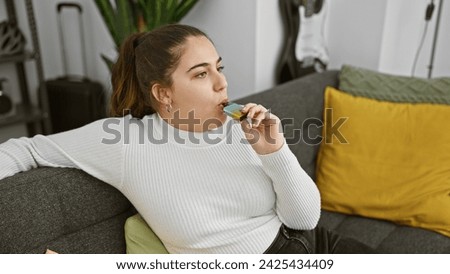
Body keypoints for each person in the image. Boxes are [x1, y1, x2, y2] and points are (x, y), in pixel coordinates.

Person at [0, 24, 374, 254]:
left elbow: (304, 220)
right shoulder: (125, 141)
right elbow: (26, 149)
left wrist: (274, 152)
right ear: (164, 94)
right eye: (200, 74)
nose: (222, 82)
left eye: (219, 67)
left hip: (313, 247)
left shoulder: (242, 127)